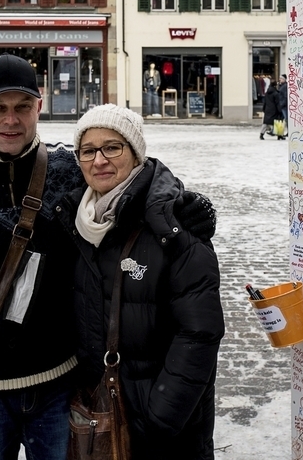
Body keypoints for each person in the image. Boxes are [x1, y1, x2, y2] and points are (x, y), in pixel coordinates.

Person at [0, 54, 214, 459]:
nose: (11, 120)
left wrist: (182, 207)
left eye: (22, 107)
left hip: (60, 389)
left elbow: (133, 174)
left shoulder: (68, 168)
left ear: (38, 108)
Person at [56, 104, 224, 460]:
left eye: (113, 147)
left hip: (163, 430)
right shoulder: (76, 222)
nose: (99, 159)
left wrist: (158, 418)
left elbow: (200, 333)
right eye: (88, 151)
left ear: (136, 154)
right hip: (101, 417)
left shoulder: (173, 226)